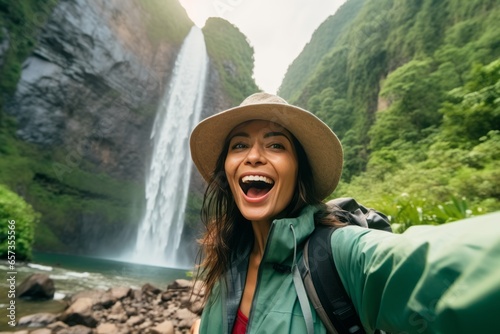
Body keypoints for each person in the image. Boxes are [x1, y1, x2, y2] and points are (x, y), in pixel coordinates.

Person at [189, 92, 500, 333]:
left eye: (276, 146)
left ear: (300, 171)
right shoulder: (228, 256)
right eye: (239, 146)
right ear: (226, 169)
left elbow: (435, 263)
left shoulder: (338, 253)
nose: (253, 156)